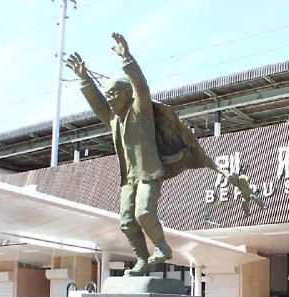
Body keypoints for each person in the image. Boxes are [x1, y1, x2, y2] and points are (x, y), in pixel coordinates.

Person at [66, 33, 263, 276]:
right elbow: (97, 102)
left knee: (144, 213)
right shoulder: (114, 120)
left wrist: (127, 58)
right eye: (109, 95)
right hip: (129, 179)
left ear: (127, 94)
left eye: (114, 93)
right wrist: (85, 78)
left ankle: (161, 248)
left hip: (149, 173)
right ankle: (141, 260)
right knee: (127, 223)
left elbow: (141, 86)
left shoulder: (140, 110)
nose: (109, 97)